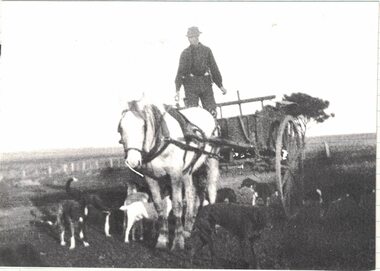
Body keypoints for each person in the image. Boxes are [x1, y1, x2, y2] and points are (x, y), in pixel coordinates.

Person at [175, 26, 227, 118]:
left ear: (198, 37)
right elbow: (180, 72)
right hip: (190, 85)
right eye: (190, 37)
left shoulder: (206, 51)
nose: (192, 39)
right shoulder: (185, 53)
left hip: (205, 84)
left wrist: (220, 85)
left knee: (212, 112)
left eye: (194, 36)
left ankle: (214, 130)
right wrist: (177, 90)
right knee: (192, 114)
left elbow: (214, 68)